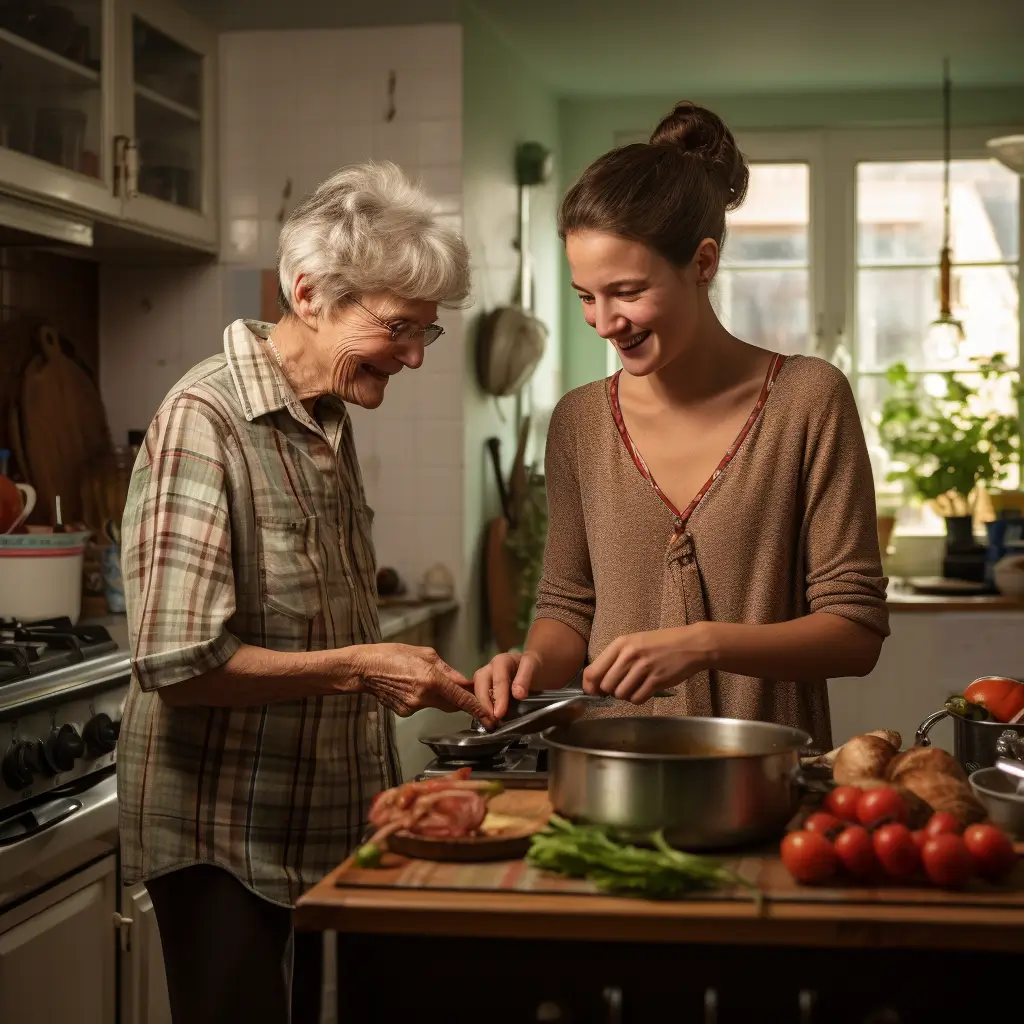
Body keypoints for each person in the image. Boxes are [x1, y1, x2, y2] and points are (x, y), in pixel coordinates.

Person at [117, 162, 493, 1024]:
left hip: (319, 823)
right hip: (224, 839)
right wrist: (364, 666)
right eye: (399, 327)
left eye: (424, 332)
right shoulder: (203, 423)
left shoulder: (324, 416)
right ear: (310, 293)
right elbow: (179, 662)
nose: (413, 354)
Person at [473, 102, 888, 751]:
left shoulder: (808, 401)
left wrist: (704, 644)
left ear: (702, 262)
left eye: (628, 291)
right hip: (610, 778)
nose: (604, 321)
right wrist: (527, 668)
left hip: (765, 781)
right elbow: (567, 607)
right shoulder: (579, 422)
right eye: (586, 295)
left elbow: (855, 633)